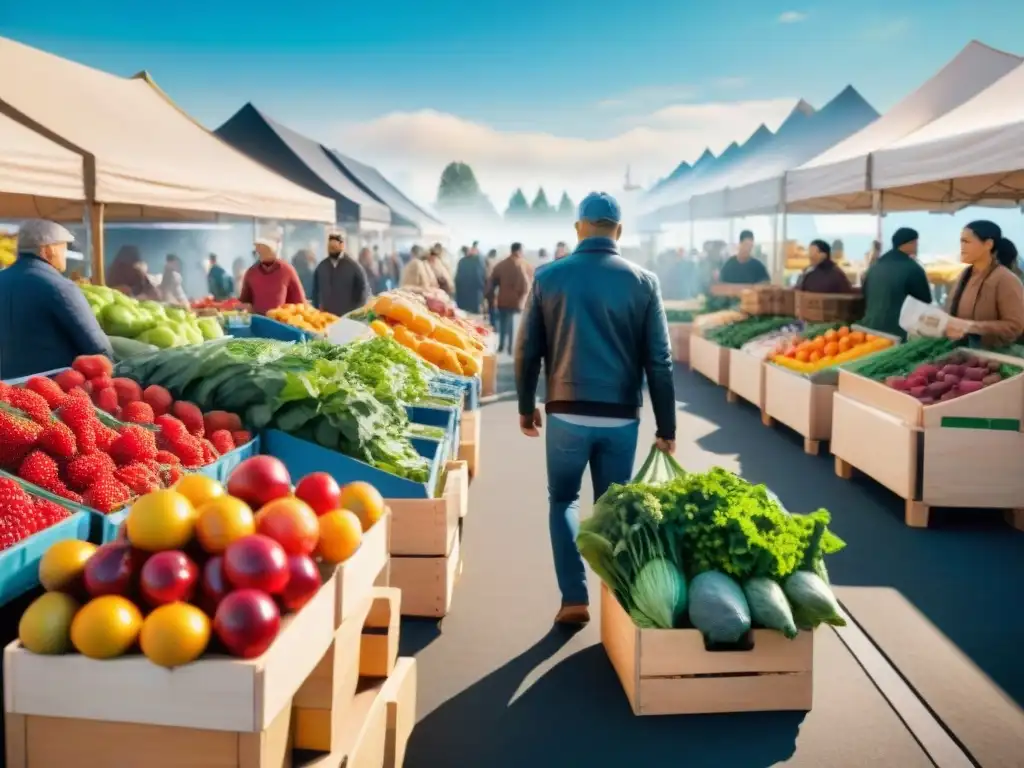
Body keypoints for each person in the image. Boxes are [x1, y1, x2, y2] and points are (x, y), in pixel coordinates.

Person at [515, 192, 676, 626]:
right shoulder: (644, 282)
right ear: (619, 232)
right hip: (622, 415)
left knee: (563, 500)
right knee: (613, 508)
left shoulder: (549, 277)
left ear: (578, 229)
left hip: (566, 411)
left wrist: (526, 404)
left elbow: (528, 349)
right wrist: (667, 426)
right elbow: (659, 360)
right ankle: (618, 601)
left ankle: (574, 598)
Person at [0, 220, 112, 379]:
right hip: (51, 390)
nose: (65, 254)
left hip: (5, 392)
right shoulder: (59, 286)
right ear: (48, 250)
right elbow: (95, 344)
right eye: (63, 247)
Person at [944, 221, 1024, 348]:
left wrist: (972, 326)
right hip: (963, 354)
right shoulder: (964, 275)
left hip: (995, 359)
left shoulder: (1005, 279)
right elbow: (952, 313)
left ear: (988, 244)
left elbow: (1015, 326)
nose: (962, 247)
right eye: (961, 241)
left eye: (967, 242)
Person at [860, 227, 932, 339]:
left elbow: (864, 295)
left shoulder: (874, 267)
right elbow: (925, 300)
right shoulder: (912, 268)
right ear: (910, 243)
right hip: (896, 332)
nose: (917, 247)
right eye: (915, 243)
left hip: (869, 329)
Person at [487, 242, 534, 354]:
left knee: (503, 324)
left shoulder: (501, 264)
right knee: (514, 326)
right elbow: (527, 285)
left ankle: (502, 345)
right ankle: (511, 348)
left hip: (502, 300)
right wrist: (524, 299)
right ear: (518, 251)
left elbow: (492, 281)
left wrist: (491, 297)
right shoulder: (524, 265)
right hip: (517, 302)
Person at [239, 237, 306, 315]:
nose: (260, 251)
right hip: (258, 322)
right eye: (258, 248)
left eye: (264, 248)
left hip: (281, 323)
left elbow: (301, 303)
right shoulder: (251, 273)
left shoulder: (287, 270)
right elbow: (244, 302)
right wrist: (244, 307)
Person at [312, 232, 369, 316]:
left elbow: (363, 292)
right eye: (330, 246)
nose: (332, 248)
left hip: (348, 318)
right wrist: (316, 310)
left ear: (342, 245)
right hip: (325, 318)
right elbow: (315, 292)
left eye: (335, 245)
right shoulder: (322, 267)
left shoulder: (353, 267)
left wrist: (355, 313)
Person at [454, 245, 487, 314]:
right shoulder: (477, 261)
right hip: (474, 295)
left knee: (464, 315)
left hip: (462, 296)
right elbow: (479, 277)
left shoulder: (461, 261)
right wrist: (483, 287)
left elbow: (457, 278)